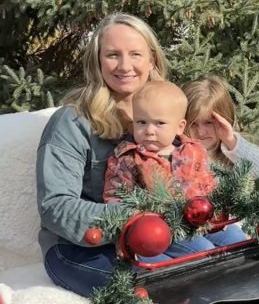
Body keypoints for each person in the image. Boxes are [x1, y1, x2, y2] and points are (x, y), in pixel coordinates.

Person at [37, 12, 166, 296]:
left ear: (152, 60)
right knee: (159, 288)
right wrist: (136, 218)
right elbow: (54, 206)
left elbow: (209, 164)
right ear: (97, 62)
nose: (125, 66)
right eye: (112, 55)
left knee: (213, 266)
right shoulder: (71, 122)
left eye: (135, 54)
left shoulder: (166, 111)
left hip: (154, 236)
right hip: (79, 248)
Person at [103, 79, 248, 256]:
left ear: (179, 127)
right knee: (204, 251)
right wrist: (130, 226)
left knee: (238, 239)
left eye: (159, 123)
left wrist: (216, 210)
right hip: (165, 228)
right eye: (141, 122)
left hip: (200, 218)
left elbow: (207, 182)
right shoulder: (128, 159)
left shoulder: (193, 150)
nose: (149, 130)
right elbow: (115, 197)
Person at [183, 75, 259, 178]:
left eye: (208, 123)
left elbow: (257, 170)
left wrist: (230, 140)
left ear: (224, 120)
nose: (201, 132)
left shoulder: (231, 153)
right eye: (193, 124)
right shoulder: (178, 151)